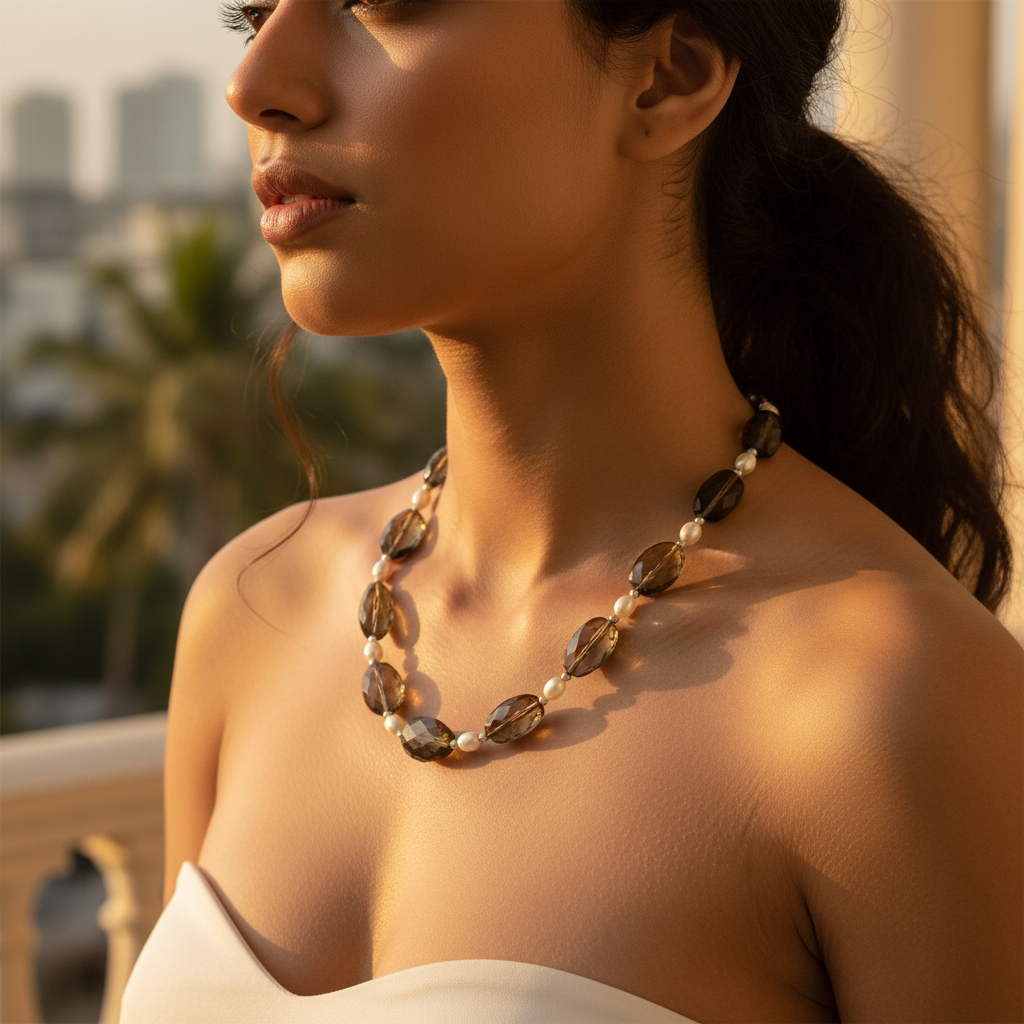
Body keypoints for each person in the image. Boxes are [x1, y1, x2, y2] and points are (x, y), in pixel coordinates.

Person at [119, 1, 1023, 1021]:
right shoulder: (252, 612)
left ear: (668, 77)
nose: (254, 83)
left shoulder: (890, 702)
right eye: (254, 13)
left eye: (383, 4)